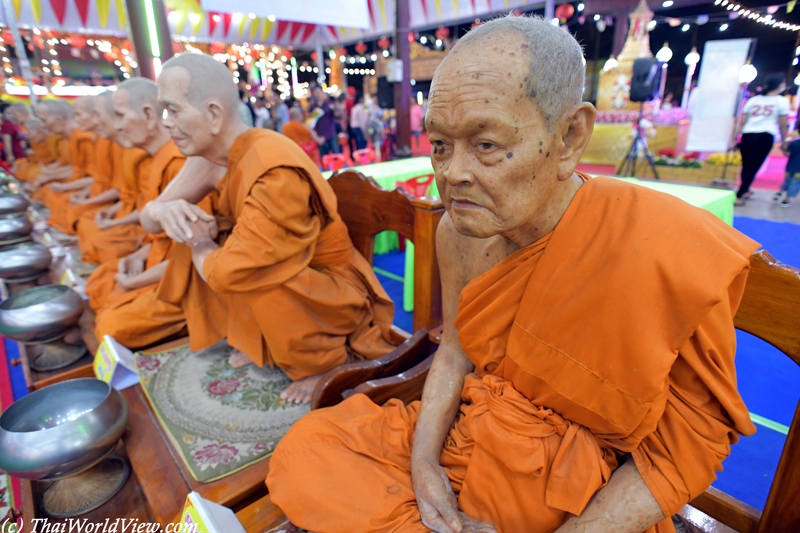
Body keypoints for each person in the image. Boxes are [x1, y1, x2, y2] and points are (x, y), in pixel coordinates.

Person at [267, 16, 759, 533]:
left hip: (580, 496)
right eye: (439, 145)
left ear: (569, 137)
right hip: (472, 438)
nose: (453, 172)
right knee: (308, 448)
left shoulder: (664, 248)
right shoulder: (459, 233)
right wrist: (424, 464)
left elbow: (684, 451)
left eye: (485, 145)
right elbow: (455, 352)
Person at [142, 52, 395, 403]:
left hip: (330, 288)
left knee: (241, 262)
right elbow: (148, 220)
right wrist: (163, 209)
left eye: (172, 109)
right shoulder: (208, 158)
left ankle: (321, 362)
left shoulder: (273, 169)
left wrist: (200, 242)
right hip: (293, 278)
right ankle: (258, 339)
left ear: (214, 114)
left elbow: (232, 270)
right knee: (211, 235)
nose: (165, 122)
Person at [84, 77, 187, 320]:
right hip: (159, 253)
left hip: (184, 275)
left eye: (119, 115)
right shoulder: (157, 157)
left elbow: (192, 251)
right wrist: (139, 257)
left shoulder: (180, 165)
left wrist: (136, 281)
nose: (115, 125)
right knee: (99, 282)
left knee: (111, 321)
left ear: (149, 116)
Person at [36, 98, 96, 234]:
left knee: (65, 201)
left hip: (95, 189)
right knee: (51, 191)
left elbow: (99, 178)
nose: (42, 125)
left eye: (44, 120)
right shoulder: (71, 138)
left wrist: (64, 186)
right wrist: (49, 174)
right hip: (88, 186)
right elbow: (77, 169)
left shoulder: (86, 138)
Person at [66, 92, 124, 232]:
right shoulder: (98, 139)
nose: (96, 121)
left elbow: (120, 189)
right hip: (104, 197)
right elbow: (98, 178)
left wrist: (88, 201)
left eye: (97, 115)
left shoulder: (117, 144)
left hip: (115, 202)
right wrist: (85, 195)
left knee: (86, 222)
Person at [731, 73, 789, 205]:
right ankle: (740, 194)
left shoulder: (754, 100)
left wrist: (734, 139)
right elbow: (782, 124)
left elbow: (742, 122)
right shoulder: (781, 101)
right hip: (764, 136)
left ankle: (744, 190)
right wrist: (784, 141)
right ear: (780, 85)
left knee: (746, 166)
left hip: (748, 136)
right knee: (753, 167)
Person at [310, 86, 340, 156]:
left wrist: (335, 109)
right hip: (320, 135)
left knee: (336, 154)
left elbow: (337, 115)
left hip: (331, 133)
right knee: (323, 156)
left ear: (322, 92)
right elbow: (312, 121)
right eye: (316, 92)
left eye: (318, 92)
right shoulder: (313, 107)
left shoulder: (329, 103)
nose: (317, 94)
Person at [777, 124, 800, 207]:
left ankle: (779, 193)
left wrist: (783, 147)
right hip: (799, 169)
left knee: (787, 181)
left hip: (790, 167)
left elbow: (787, 154)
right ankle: (786, 200)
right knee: (795, 183)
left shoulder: (793, 143)